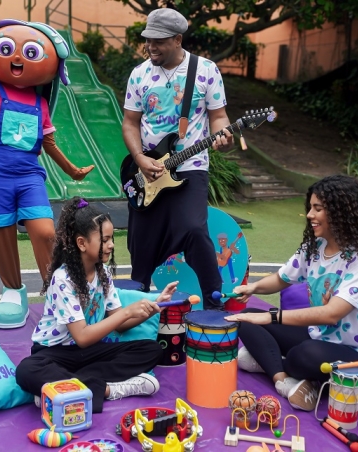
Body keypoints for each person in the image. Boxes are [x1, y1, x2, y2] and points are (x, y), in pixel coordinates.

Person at [0, 19, 94, 329]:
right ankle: (13, 291)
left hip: (29, 176)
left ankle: (57, 293)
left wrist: (71, 170)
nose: (17, 57)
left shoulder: (40, 103)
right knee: (2, 236)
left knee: (45, 232)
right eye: (7, 49)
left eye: (29, 52)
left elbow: (48, 143)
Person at [225, 175, 358, 411]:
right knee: (246, 317)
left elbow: (331, 314)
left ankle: (271, 361)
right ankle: (283, 380)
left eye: (318, 209)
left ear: (341, 212)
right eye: (310, 207)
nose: (309, 215)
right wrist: (252, 288)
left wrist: (271, 316)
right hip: (319, 337)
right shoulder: (315, 247)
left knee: (303, 355)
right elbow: (282, 278)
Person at [16, 197, 178, 413]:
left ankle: (60, 390)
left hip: (89, 354)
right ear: (82, 243)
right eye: (105, 239)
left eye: (112, 239)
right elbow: (82, 337)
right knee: (26, 370)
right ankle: (107, 389)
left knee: (151, 349)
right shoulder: (63, 279)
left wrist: (155, 306)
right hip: (54, 353)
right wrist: (128, 312)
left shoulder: (103, 274)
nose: (111, 245)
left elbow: (121, 325)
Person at [122, 8, 233, 309]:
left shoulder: (206, 70)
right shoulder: (139, 74)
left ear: (177, 39)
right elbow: (130, 122)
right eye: (148, 40)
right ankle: (138, 307)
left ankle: (214, 303)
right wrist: (139, 158)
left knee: (194, 230)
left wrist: (222, 136)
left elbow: (219, 116)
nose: (151, 47)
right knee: (141, 247)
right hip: (147, 172)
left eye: (159, 41)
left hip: (191, 167)